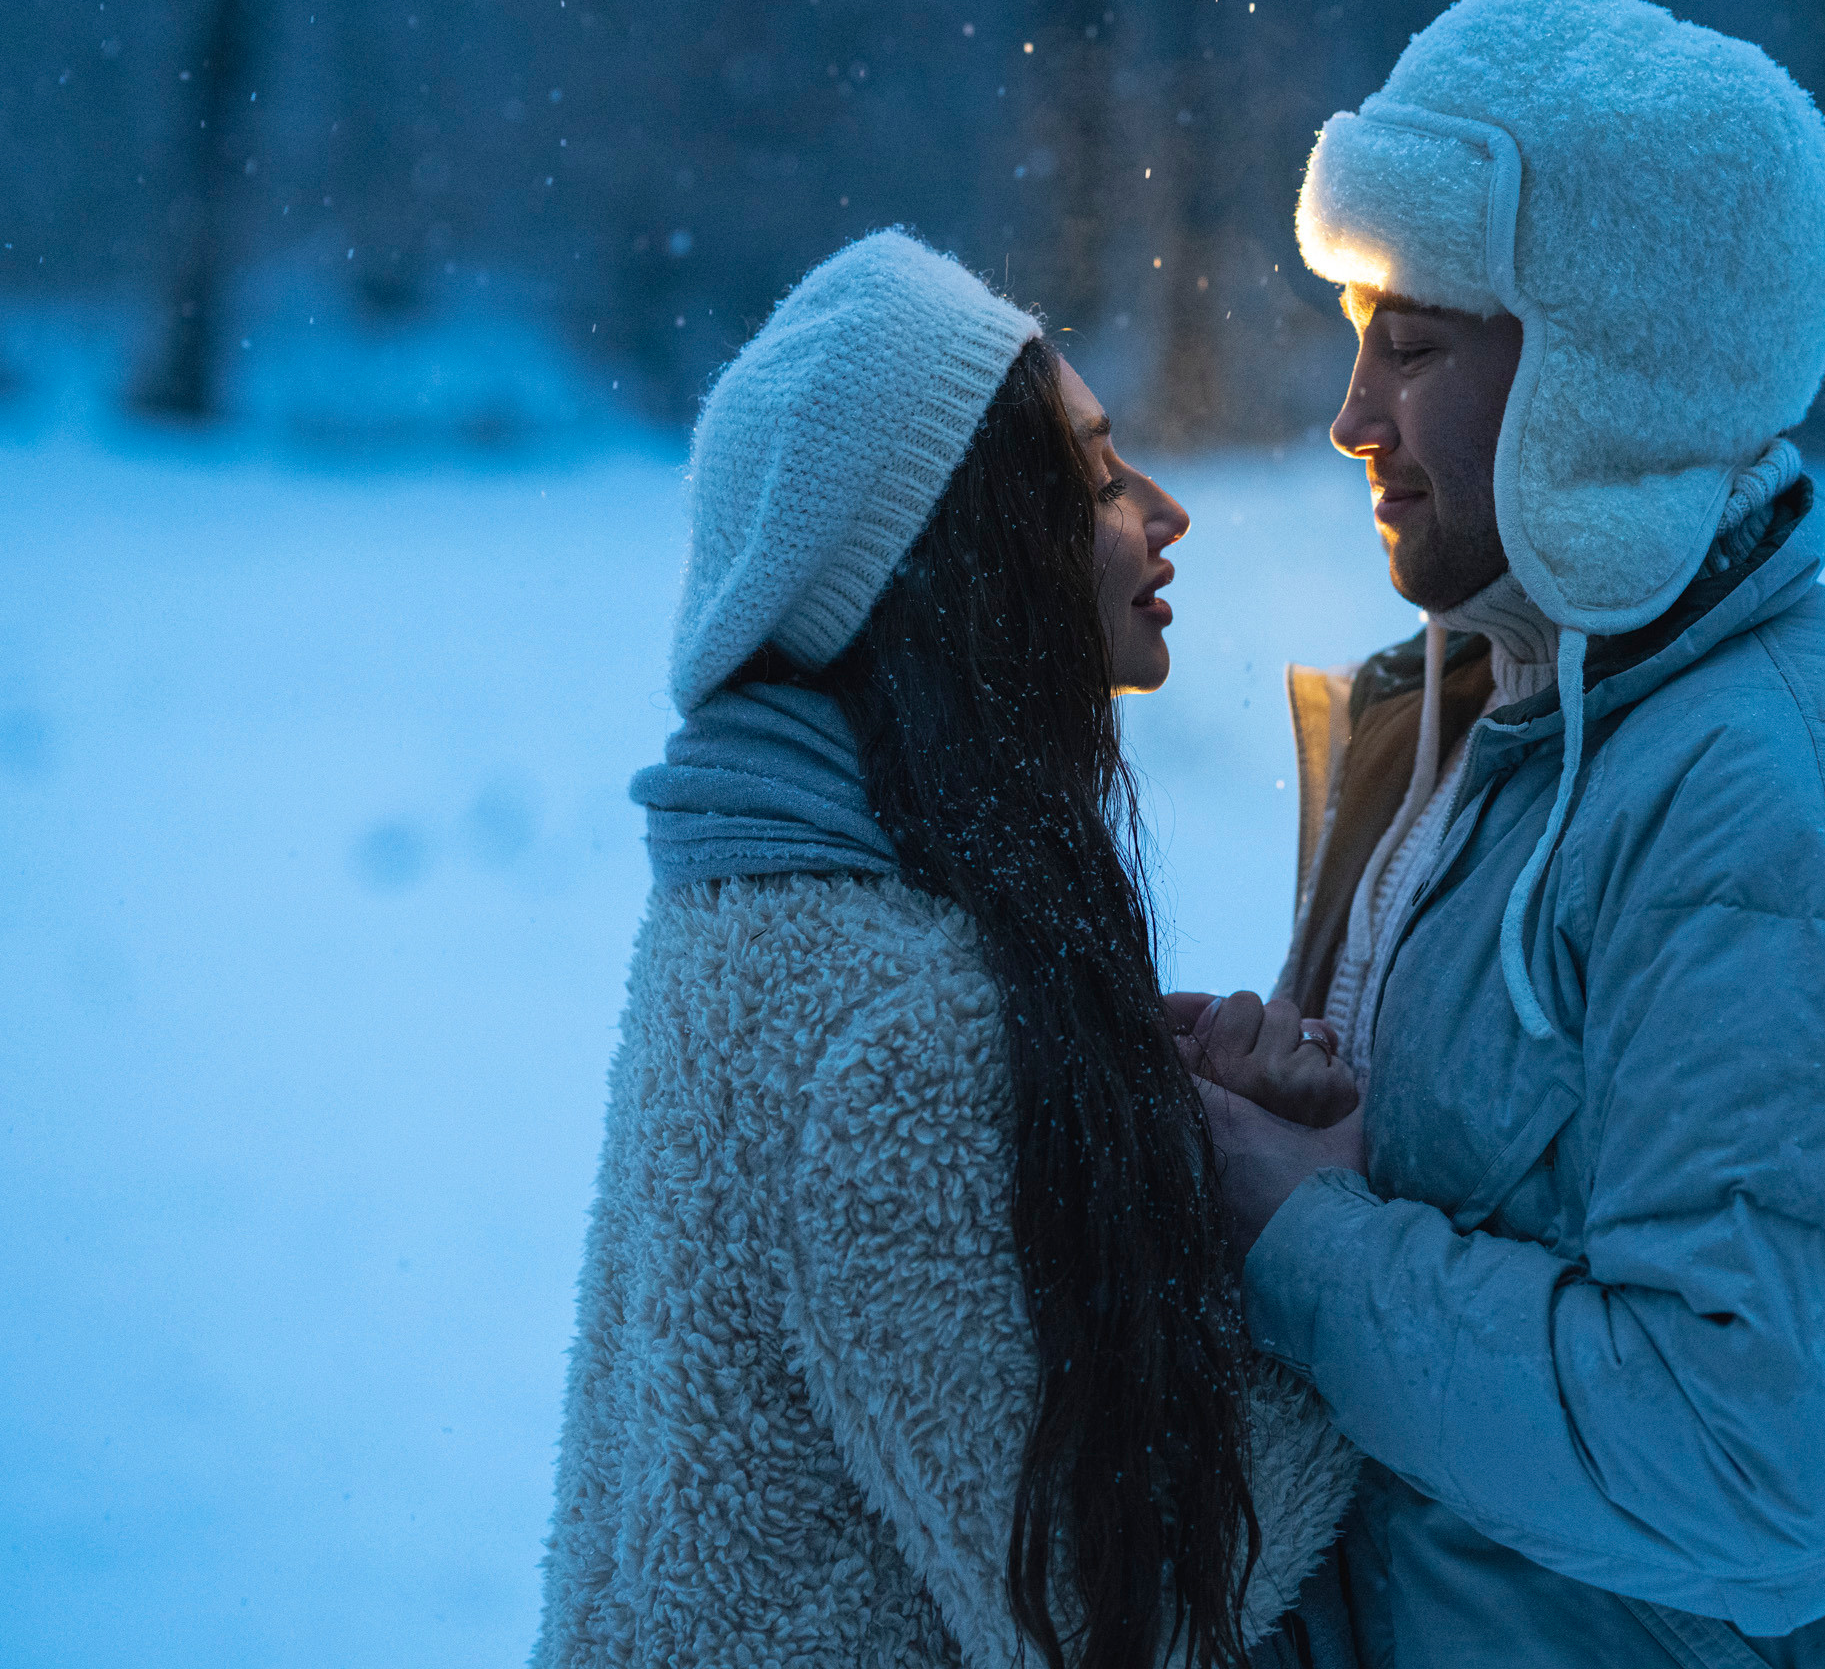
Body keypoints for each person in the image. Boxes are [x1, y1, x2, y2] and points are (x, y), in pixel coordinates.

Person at [1179, 0, 1825, 1665]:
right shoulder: (1473, 728)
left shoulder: (1782, 821)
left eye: (1414, 346)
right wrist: (1293, 1133)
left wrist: (1297, 1234)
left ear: (1607, 374)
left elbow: (1757, 1467)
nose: (1353, 415)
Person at [534, 229, 1358, 1669]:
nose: (1163, 511)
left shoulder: (756, 915)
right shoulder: (894, 1025)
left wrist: (1150, 1150)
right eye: (1097, 477)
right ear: (968, 552)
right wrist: (1333, 1274)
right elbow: (1124, 1617)